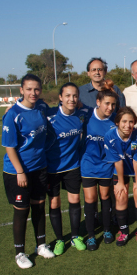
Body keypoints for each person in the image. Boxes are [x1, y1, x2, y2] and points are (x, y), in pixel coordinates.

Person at [2, 74, 55, 269]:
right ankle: (20, 253)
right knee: (22, 211)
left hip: (39, 168)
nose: (33, 93)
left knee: (39, 207)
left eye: (37, 89)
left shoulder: (41, 107)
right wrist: (20, 171)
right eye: (29, 89)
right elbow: (9, 147)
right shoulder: (13, 114)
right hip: (18, 172)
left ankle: (41, 244)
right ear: (21, 91)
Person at [45, 82, 89, 255]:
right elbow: (32, 108)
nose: (72, 99)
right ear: (60, 98)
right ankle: (59, 239)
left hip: (72, 165)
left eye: (75, 96)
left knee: (75, 200)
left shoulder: (81, 115)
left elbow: (99, 110)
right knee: (55, 202)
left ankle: (75, 236)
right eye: (68, 96)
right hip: (52, 168)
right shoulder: (49, 115)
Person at [81, 88, 118, 251]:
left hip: (105, 166)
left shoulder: (114, 123)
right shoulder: (86, 118)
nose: (110, 108)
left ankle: (107, 230)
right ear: (98, 102)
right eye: (107, 104)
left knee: (105, 196)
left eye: (113, 104)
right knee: (90, 199)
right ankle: (90, 236)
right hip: (88, 166)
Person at [104, 107, 137, 246]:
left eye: (131, 122)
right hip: (120, 169)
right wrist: (120, 182)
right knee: (120, 196)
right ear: (117, 122)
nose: (128, 125)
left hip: (136, 169)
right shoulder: (109, 136)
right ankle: (124, 231)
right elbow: (117, 160)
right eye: (124, 121)